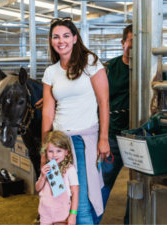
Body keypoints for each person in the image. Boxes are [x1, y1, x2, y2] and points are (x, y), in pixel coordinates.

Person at [41, 17, 110, 224]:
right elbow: (48, 112)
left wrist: (104, 138)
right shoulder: (50, 72)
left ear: (75, 38)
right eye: (56, 36)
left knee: (79, 203)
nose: (60, 40)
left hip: (81, 139)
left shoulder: (90, 63)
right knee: (61, 198)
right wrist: (46, 148)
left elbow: (103, 102)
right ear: (51, 41)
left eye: (65, 35)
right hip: (59, 142)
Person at [95, 24, 133, 224]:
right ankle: (92, 220)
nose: (134, 48)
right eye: (132, 42)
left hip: (140, 138)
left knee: (139, 185)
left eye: (140, 43)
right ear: (123, 43)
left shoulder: (155, 70)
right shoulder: (108, 69)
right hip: (113, 136)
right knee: (104, 182)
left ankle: (131, 220)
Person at [36, 131, 79, 225]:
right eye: (50, 151)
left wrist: (73, 215)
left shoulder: (70, 170)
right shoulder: (46, 167)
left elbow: (75, 193)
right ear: (45, 151)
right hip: (45, 212)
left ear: (66, 152)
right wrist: (43, 176)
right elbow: (38, 188)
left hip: (61, 214)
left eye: (59, 151)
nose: (54, 155)